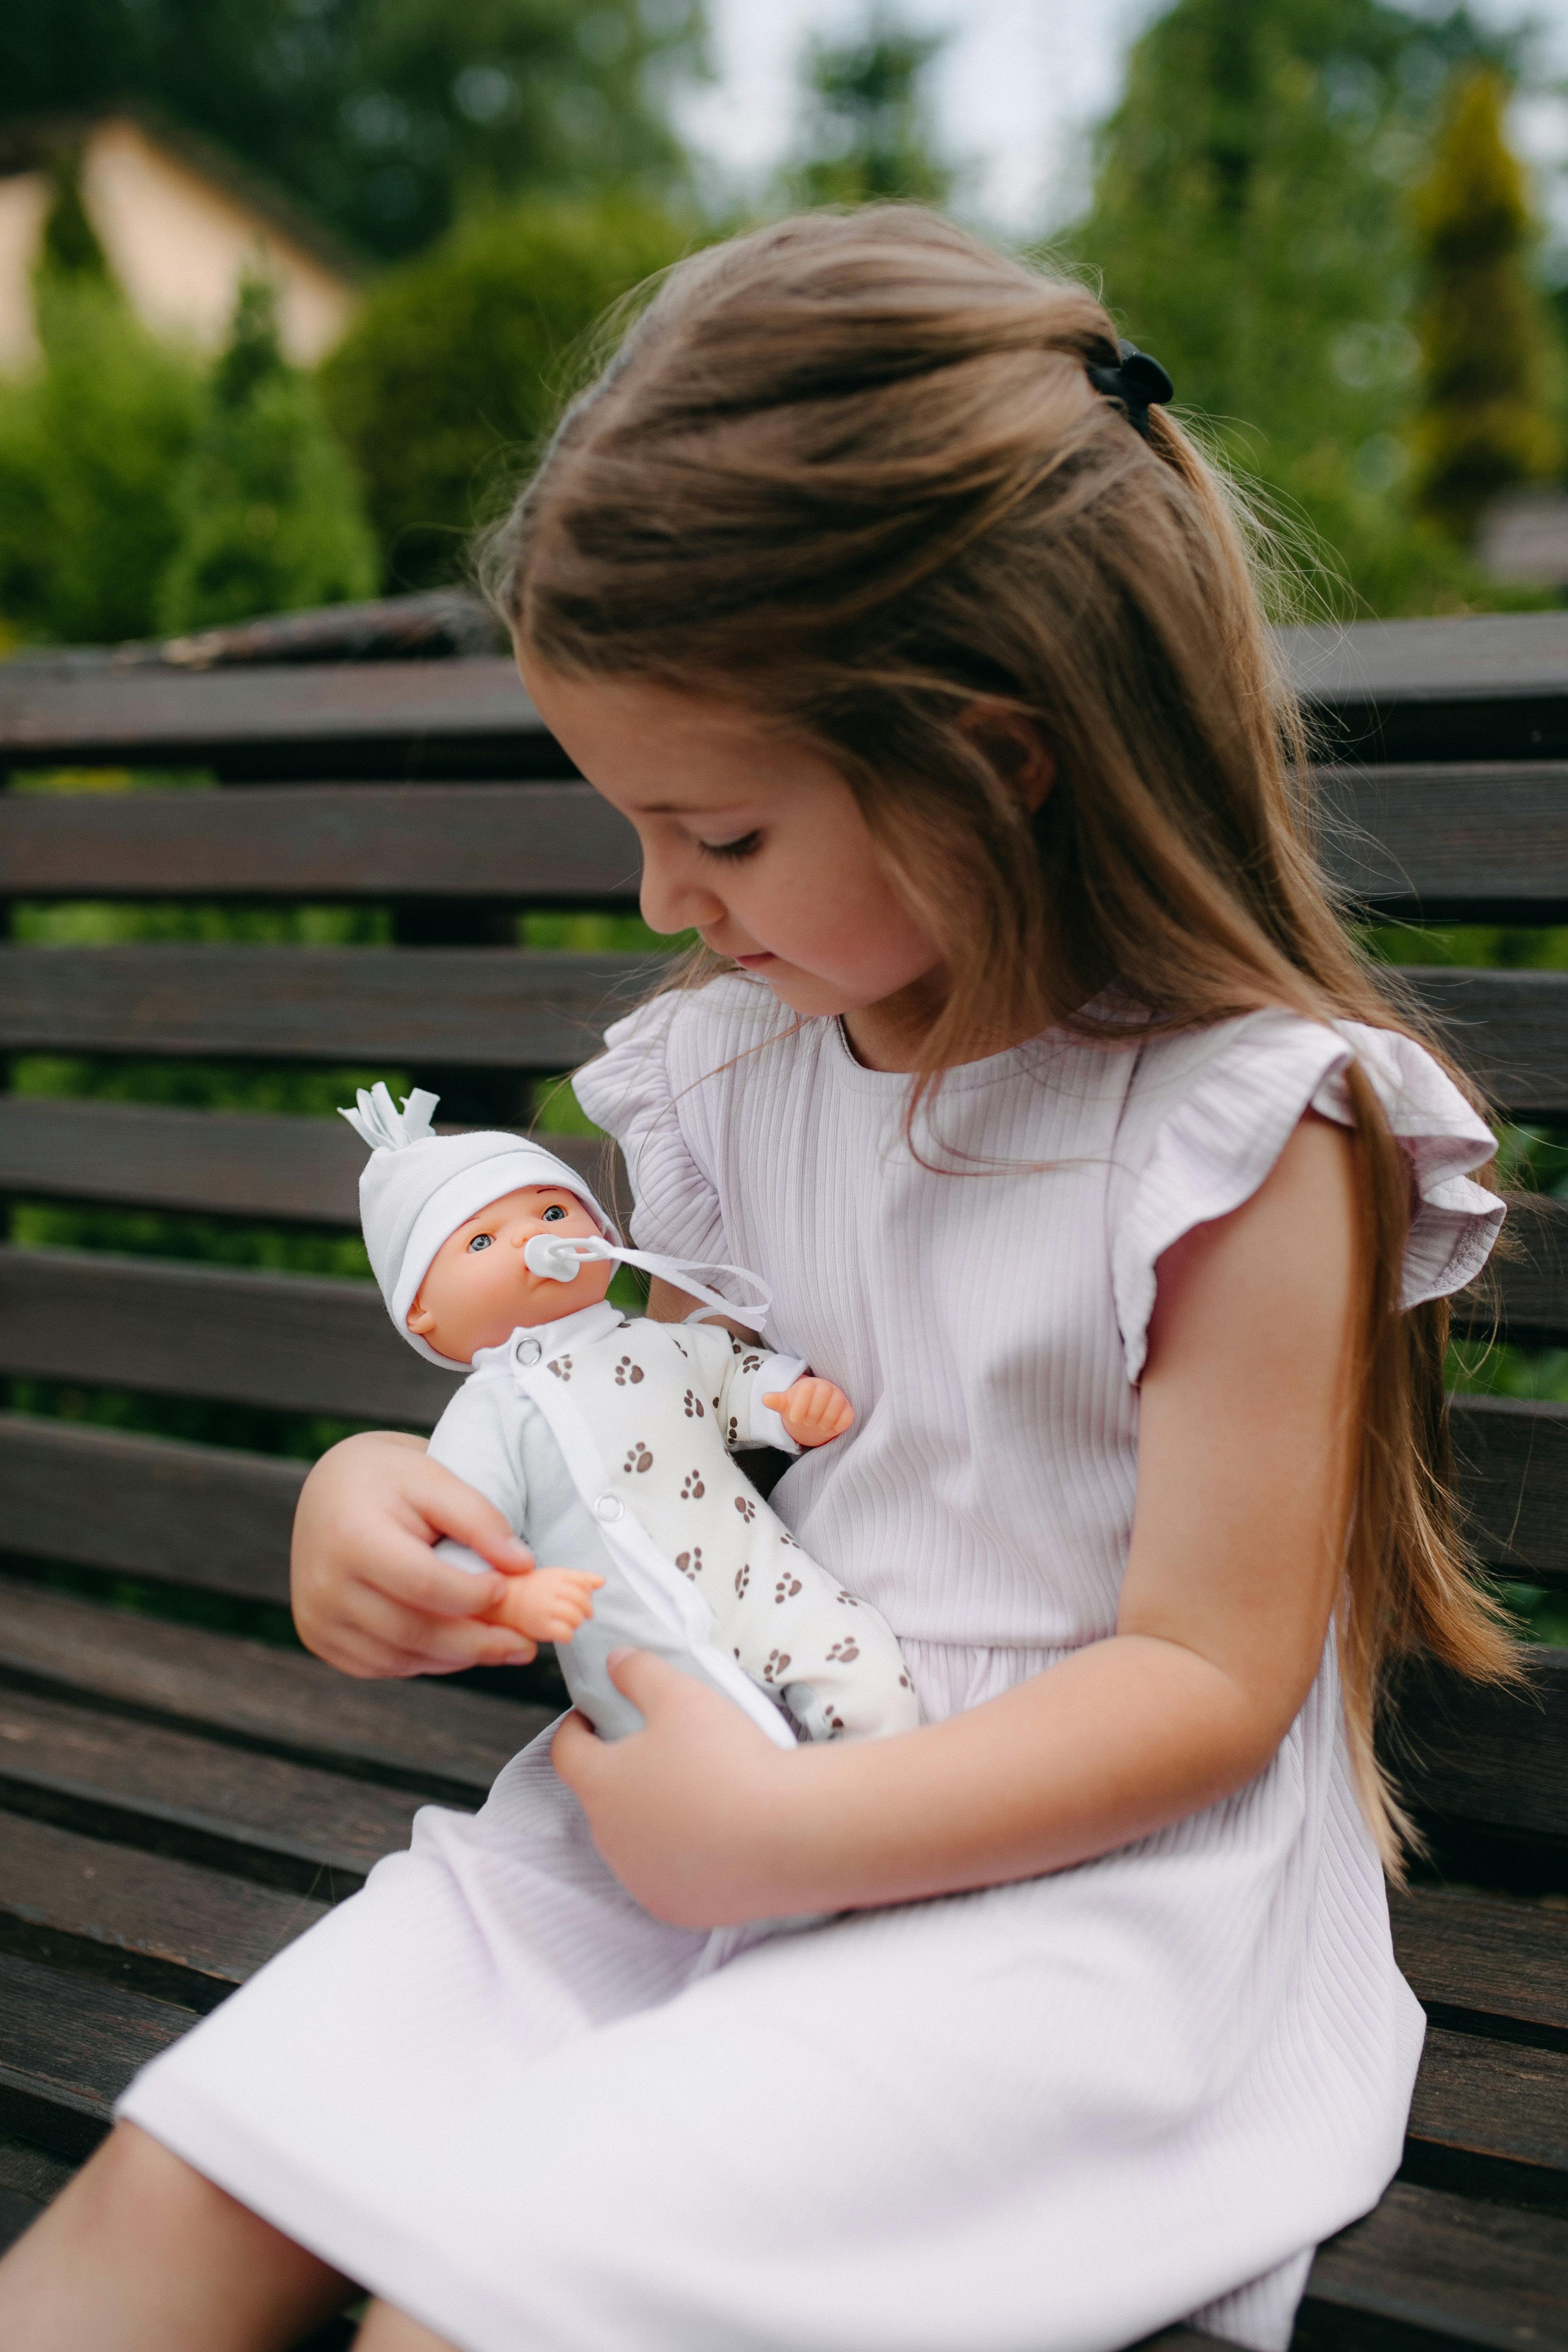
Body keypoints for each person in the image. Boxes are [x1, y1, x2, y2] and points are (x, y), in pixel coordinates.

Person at [0, 207, 1515, 2352]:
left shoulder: (1242, 1135)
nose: (659, 895)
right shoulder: (730, 1074)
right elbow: (624, 1406)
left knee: (494, 2296)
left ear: (997, 760)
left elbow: (1203, 1682)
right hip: (703, 1798)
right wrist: (398, 1490)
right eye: (633, 823)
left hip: (1079, 1903)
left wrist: (789, 1833)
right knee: (202, 2169)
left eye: (718, 831)